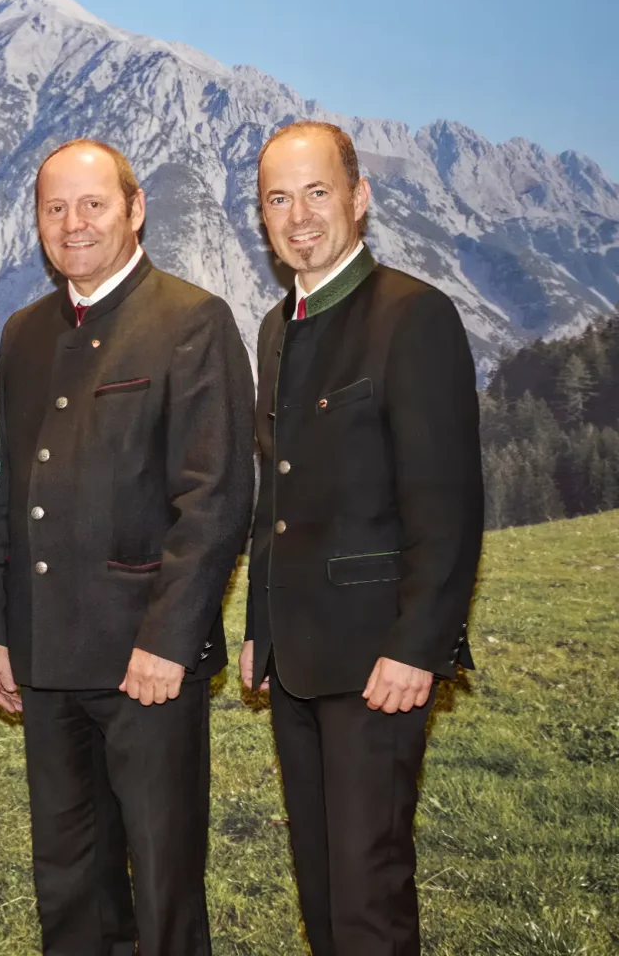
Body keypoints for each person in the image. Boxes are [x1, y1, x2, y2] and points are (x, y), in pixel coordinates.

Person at [0, 139, 254, 956]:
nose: (74, 223)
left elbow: (217, 498)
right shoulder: (23, 334)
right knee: (67, 885)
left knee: (165, 887)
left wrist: (168, 641)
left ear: (135, 210)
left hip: (148, 666)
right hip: (47, 662)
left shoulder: (193, 320)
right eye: (55, 208)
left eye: (93, 204)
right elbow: (6, 495)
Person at [241, 121, 482, 955]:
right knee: (322, 888)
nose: (299, 215)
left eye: (317, 192)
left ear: (359, 197)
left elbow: (447, 506)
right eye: (279, 198)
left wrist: (419, 648)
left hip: (381, 662)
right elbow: (278, 491)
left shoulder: (413, 315)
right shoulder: (277, 328)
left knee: (369, 897)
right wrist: (258, 631)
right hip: (297, 662)